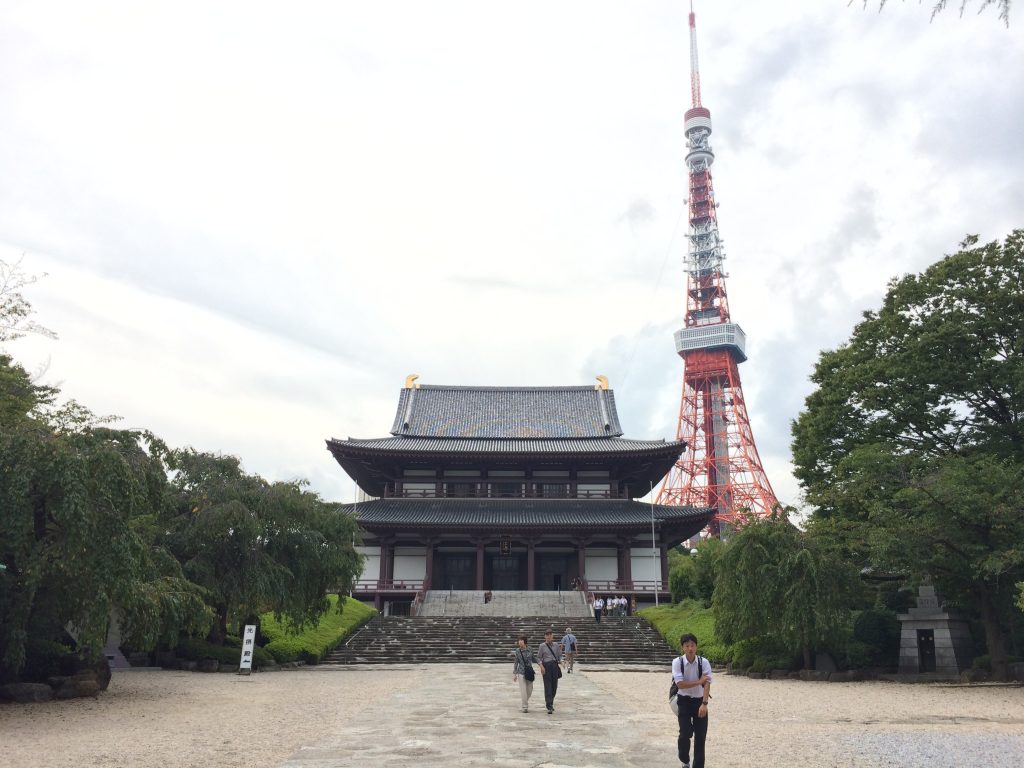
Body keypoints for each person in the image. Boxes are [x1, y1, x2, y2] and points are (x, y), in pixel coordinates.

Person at [671, 632, 713, 768]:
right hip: (683, 701)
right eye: (687, 645)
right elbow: (680, 684)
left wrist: (704, 704)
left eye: (692, 645)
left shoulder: (703, 662)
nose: (690, 648)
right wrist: (698, 681)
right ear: (682, 647)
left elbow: (707, 683)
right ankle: (684, 760)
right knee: (685, 733)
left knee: (700, 737)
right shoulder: (677, 662)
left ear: (696, 647)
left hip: (699, 701)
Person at [538, 629, 563, 714]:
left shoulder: (556, 645)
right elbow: (538, 658)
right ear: (545, 636)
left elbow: (560, 656)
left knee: (554, 686)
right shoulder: (542, 646)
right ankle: (549, 705)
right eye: (547, 635)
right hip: (546, 667)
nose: (548, 636)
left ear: (552, 636)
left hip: (554, 666)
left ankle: (550, 701)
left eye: (550, 635)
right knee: (548, 686)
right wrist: (541, 666)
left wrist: (562, 662)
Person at [511, 634, 538, 713]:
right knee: (523, 690)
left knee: (530, 690)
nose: (520, 642)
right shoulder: (517, 651)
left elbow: (533, 658)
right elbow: (516, 662)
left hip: (529, 672)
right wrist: (514, 673)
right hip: (521, 672)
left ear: (525, 642)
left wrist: (540, 663)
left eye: (521, 641)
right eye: (519, 641)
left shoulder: (530, 649)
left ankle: (524, 700)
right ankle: (524, 706)